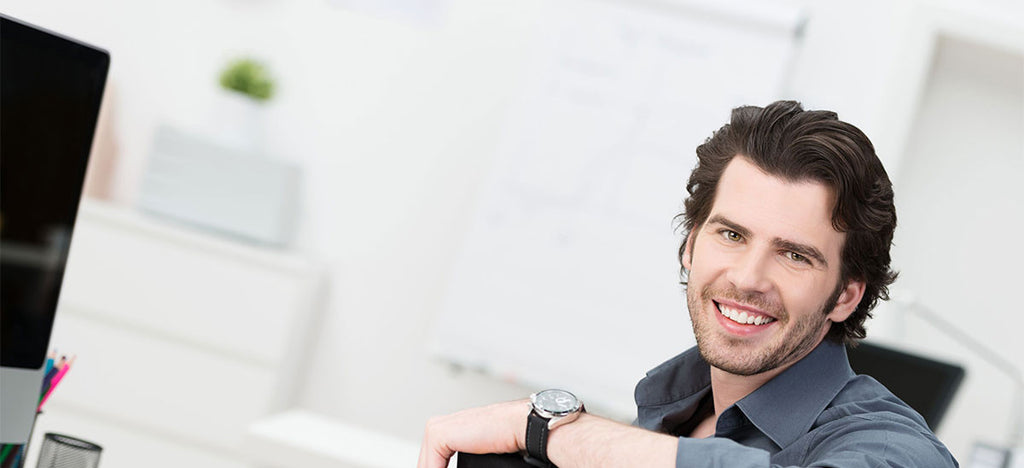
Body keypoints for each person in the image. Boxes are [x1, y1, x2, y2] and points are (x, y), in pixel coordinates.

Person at [417, 101, 958, 468]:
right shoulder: (666, 414)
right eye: (731, 235)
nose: (748, 278)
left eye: (794, 255)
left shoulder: (892, 446)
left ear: (846, 295)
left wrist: (549, 429)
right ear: (690, 246)